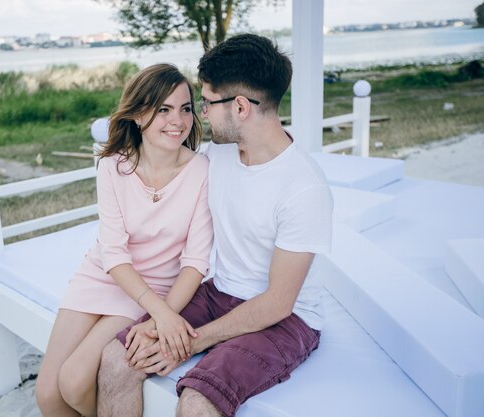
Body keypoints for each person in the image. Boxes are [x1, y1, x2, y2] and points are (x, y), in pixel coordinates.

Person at [97, 34, 334, 417]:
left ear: (240, 106)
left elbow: (278, 302)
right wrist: (163, 316)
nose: (200, 115)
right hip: (219, 293)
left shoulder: (303, 187)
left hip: (287, 320)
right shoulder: (218, 155)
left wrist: (190, 341)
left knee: (196, 401)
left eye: (205, 103)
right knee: (116, 358)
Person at [35, 63, 213, 417]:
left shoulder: (203, 171)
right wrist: (163, 316)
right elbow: (113, 253)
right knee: (48, 395)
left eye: (185, 108)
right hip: (101, 275)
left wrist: (161, 311)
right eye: (163, 109)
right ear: (137, 114)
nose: (177, 120)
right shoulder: (113, 166)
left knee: (74, 381)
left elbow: (196, 262)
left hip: (151, 287)